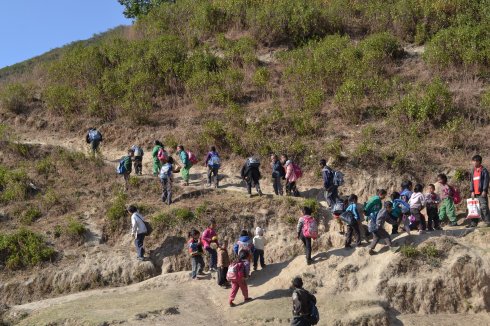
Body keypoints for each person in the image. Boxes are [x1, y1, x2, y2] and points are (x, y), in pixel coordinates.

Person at [469, 155, 490, 228]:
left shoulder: (484, 170)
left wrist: (484, 190)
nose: (473, 162)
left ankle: (487, 221)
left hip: (481, 192)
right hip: (474, 193)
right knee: (474, 208)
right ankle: (473, 223)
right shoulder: (473, 171)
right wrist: (472, 191)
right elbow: (471, 181)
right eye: (473, 161)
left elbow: (486, 181)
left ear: (479, 162)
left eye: (474, 161)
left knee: (484, 207)